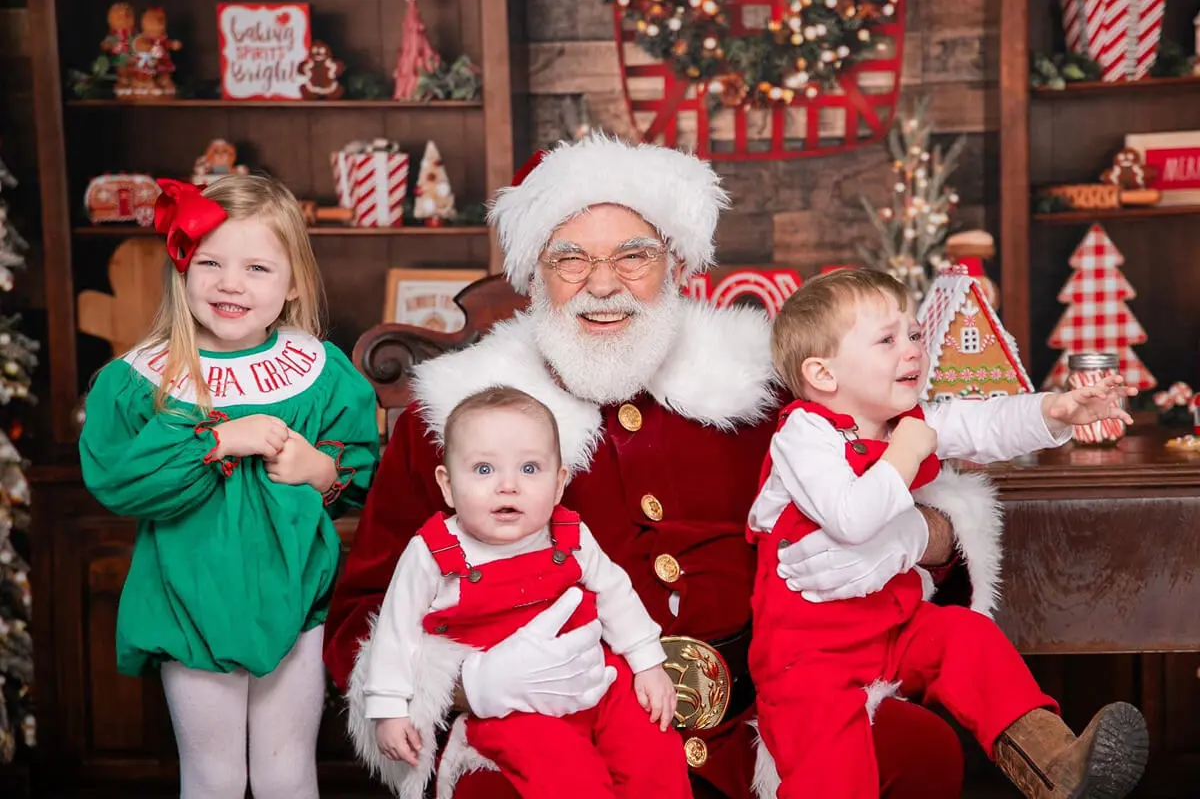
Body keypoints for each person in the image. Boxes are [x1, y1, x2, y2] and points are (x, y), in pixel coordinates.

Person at [325, 133, 991, 799]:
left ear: (675, 263)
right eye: (572, 260)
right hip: (572, 734)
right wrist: (468, 683)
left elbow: (910, 476)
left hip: (769, 718)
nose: (605, 284)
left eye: (633, 256)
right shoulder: (452, 417)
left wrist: (921, 538)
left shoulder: (766, 383)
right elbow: (365, 611)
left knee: (917, 749)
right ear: (534, 275)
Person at [748, 268, 1149, 799]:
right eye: (888, 340)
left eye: (914, 334)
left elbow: (984, 425)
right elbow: (849, 516)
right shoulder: (804, 436)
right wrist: (909, 451)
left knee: (968, 639)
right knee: (833, 774)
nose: (912, 349)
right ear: (824, 374)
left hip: (892, 628)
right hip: (810, 659)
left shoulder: (904, 419)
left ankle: (1056, 764)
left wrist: (1057, 410)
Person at [79, 176, 380, 799]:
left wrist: (318, 468)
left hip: (297, 602)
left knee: (287, 772)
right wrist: (216, 441)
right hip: (191, 604)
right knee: (214, 777)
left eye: (257, 267)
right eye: (210, 263)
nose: (230, 283)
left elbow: (362, 473)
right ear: (182, 269)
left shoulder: (319, 372)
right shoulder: (143, 380)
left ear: (292, 282)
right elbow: (119, 480)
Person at [359, 386, 688, 799]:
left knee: (652, 747)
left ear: (558, 483)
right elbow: (395, 632)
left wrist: (647, 664)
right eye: (483, 470)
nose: (508, 486)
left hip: (595, 678)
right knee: (567, 774)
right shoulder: (434, 551)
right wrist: (388, 708)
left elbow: (615, 593)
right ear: (446, 484)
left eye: (530, 469)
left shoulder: (570, 534)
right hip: (511, 707)